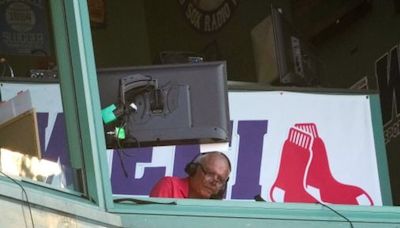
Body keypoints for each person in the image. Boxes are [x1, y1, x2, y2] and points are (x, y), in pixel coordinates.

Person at [150, 151, 231, 199]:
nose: (214, 183)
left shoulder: (214, 209)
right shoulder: (170, 186)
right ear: (193, 169)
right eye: (210, 174)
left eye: (220, 180)